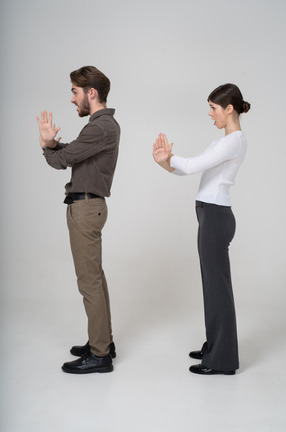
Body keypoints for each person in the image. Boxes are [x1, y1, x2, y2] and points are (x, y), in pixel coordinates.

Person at [153, 83, 250, 375]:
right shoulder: (224, 141)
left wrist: (172, 158)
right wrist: (166, 164)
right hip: (210, 215)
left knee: (217, 289)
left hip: (217, 217)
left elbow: (194, 165)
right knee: (213, 287)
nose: (210, 114)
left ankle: (222, 360)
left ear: (229, 108)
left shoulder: (234, 139)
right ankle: (215, 346)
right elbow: (189, 168)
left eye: (213, 108)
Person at [36, 66, 120, 374]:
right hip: (86, 207)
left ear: (91, 93)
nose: (72, 100)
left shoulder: (99, 127)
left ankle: (100, 355)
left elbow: (61, 160)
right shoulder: (102, 126)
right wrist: (57, 146)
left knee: (89, 282)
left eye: (75, 92)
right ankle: (102, 342)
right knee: (94, 278)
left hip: (86, 210)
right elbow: (72, 152)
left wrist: (47, 145)